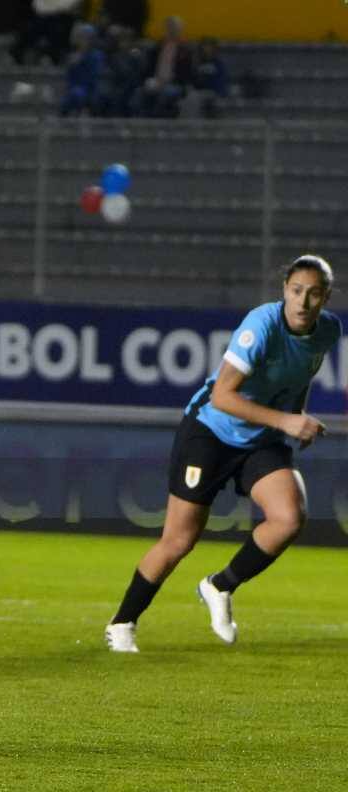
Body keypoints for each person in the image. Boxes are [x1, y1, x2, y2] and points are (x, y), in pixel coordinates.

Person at [105, 255, 341, 653]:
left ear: (326, 297)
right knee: (179, 540)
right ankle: (122, 622)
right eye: (296, 290)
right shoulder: (261, 326)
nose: (303, 302)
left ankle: (219, 586)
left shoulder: (327, 331)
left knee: (289, 517)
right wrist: (285, 421)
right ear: (284, 290)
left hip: (261, 437)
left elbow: (301, 375)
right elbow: (222, 396)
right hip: (211, 432)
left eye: (314, 294)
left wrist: (295, 415)